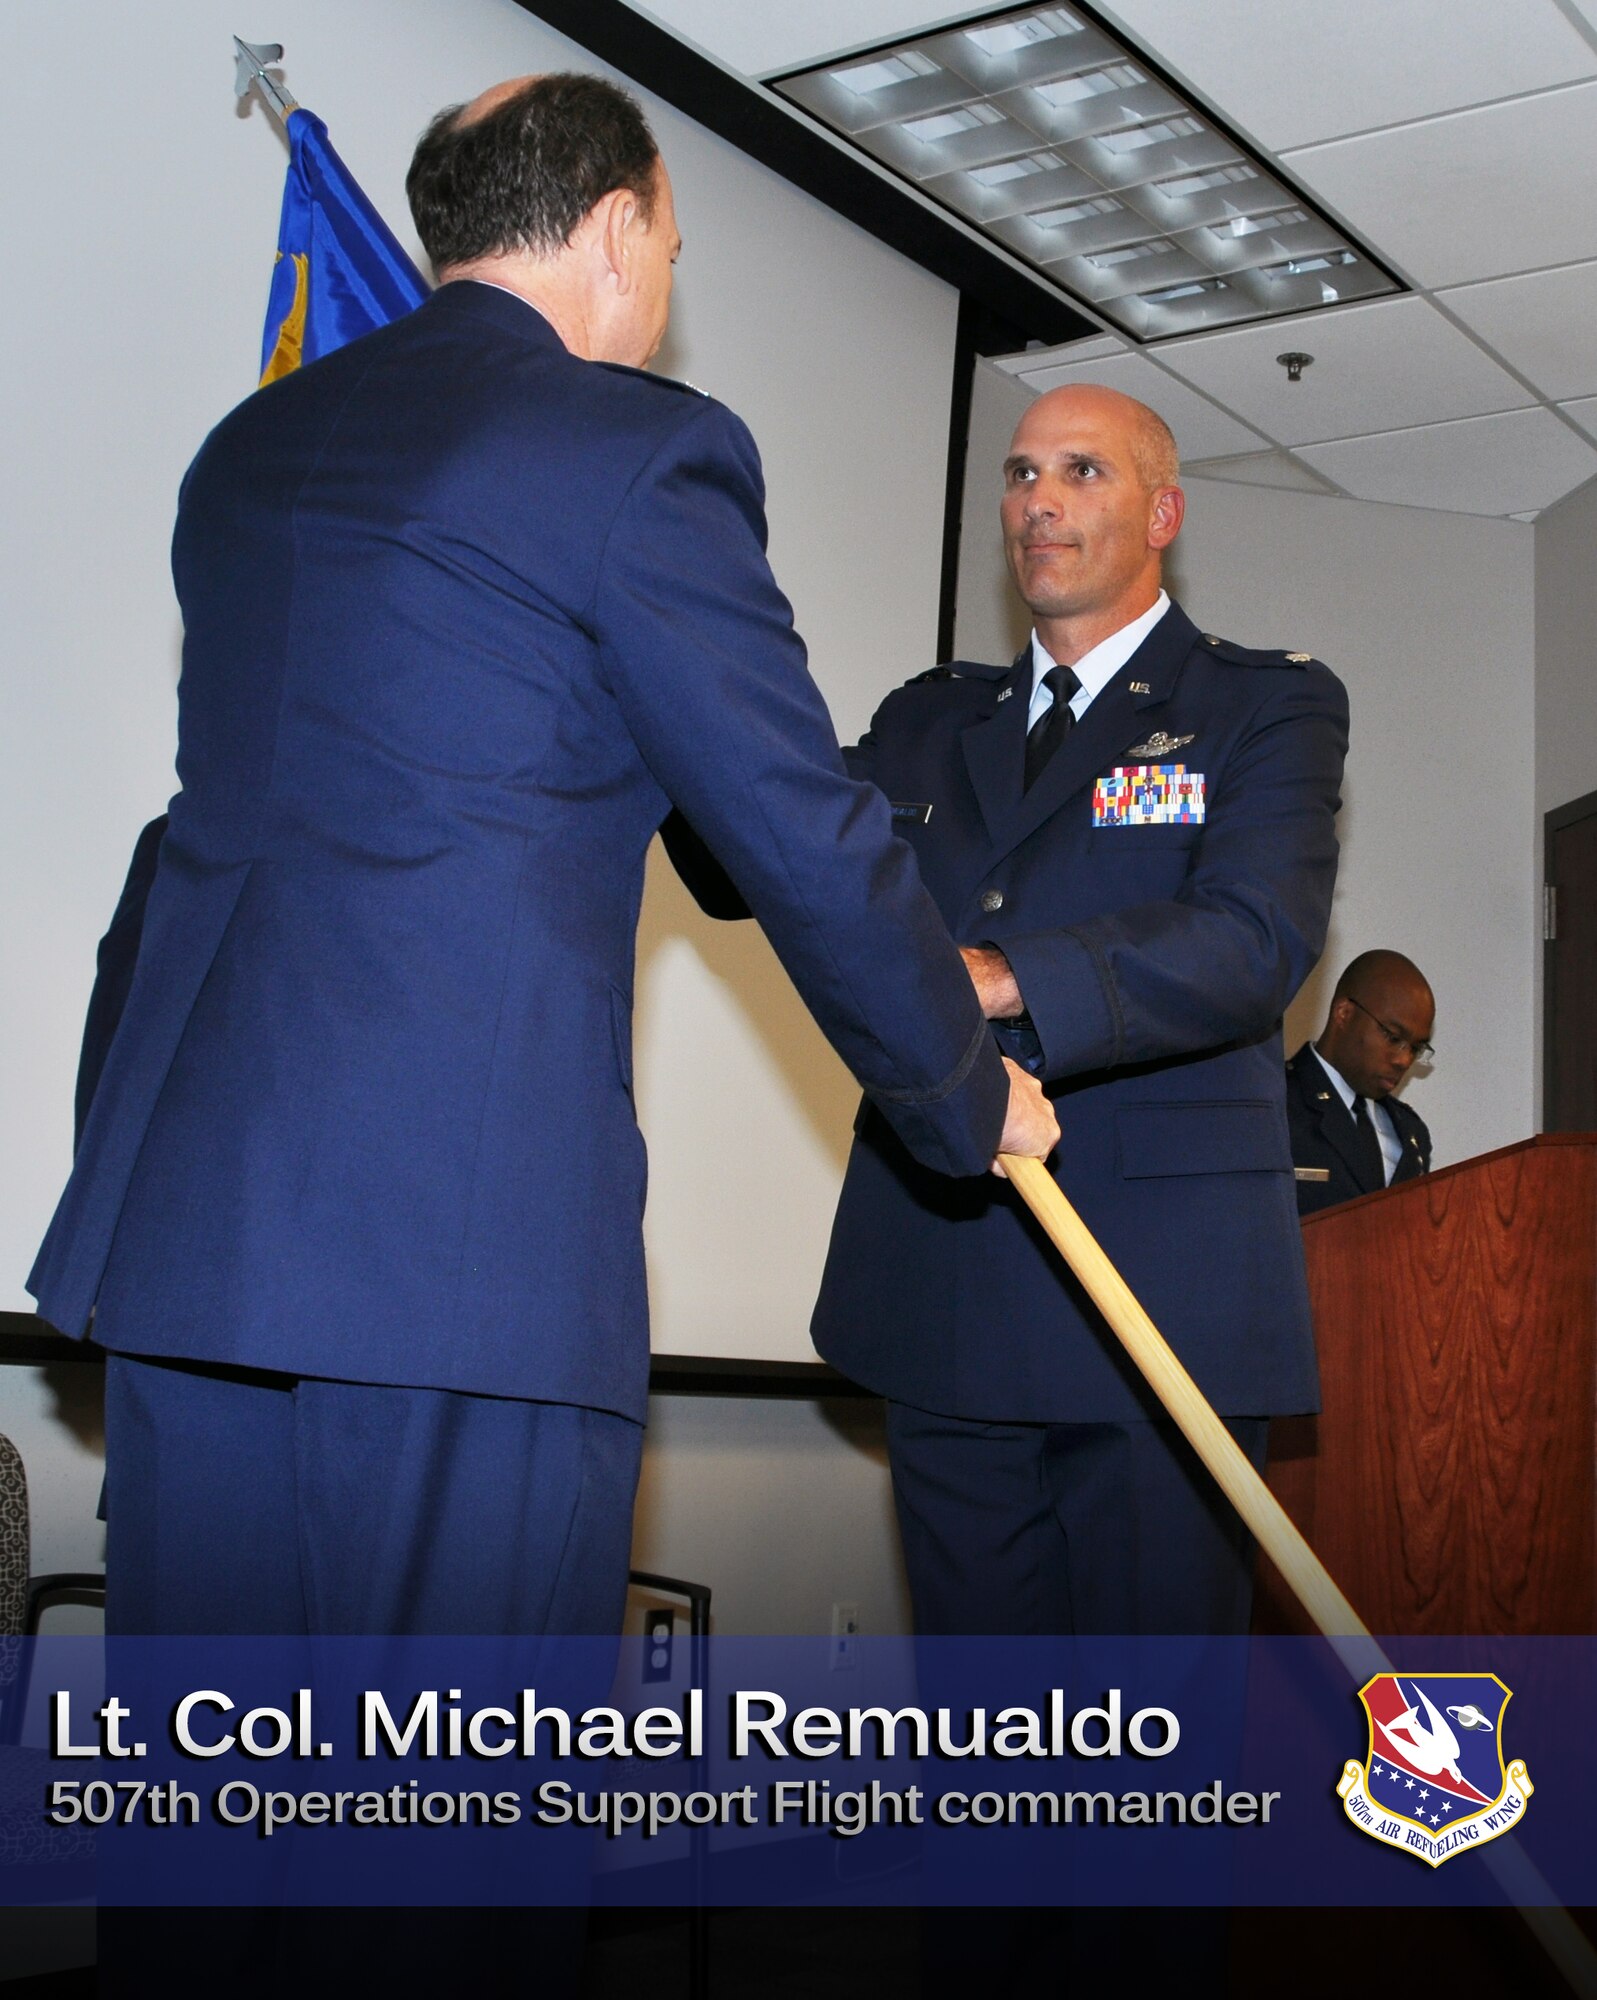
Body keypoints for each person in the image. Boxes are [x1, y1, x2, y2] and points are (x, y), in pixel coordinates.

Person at [27, 72, 1056, 1640]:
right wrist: (961, 1090)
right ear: (618, 230)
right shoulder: (637, 455)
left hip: (195, 1253)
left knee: (213, 1828)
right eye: (677, 247)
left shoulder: (248, 457)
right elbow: (798, 827)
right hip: (457, 1266)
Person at [671, 381, 1348, 1637]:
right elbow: (765, 854)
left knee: (1144, 1780)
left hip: (1152, 1309)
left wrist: (987, 975)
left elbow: (1247, 945)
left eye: (1082, 473)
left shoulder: (1265, 707)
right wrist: (662, 677)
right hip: (949, 1296)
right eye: (1022, 474)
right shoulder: (933, 719)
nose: (1037, 502)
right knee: (987, 1768)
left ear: (1164, 512)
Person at [1287, 950, 1434, 1214]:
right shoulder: (1277, 1104)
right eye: (1392, 1037)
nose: (1404, 1059)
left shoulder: (1412, 1133)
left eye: (1416, 1048)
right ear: (1344, 1013)